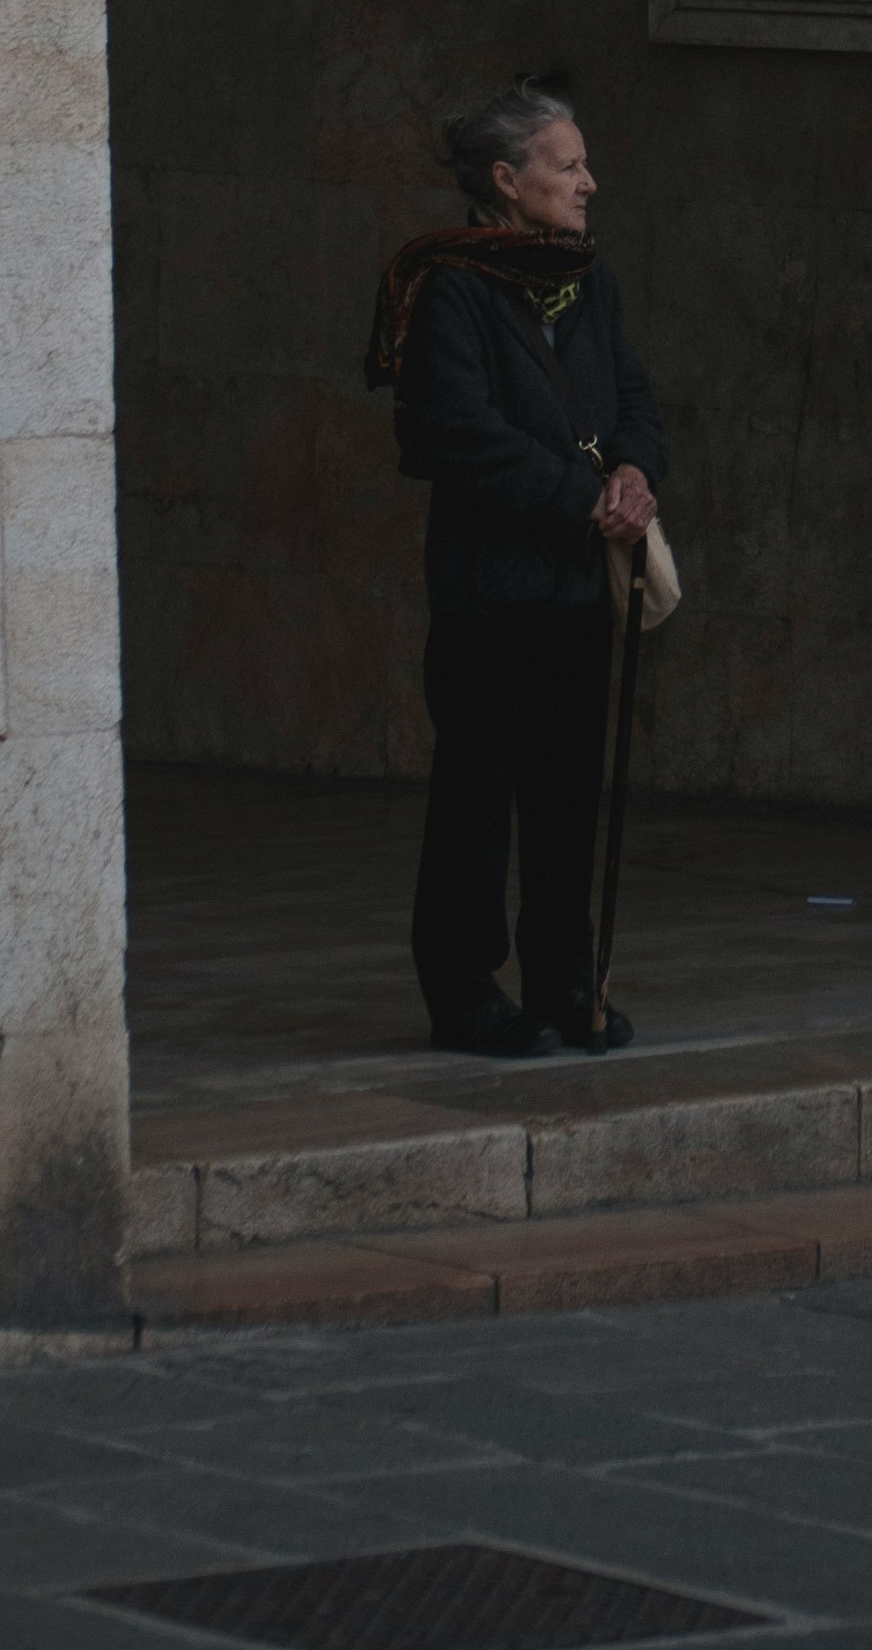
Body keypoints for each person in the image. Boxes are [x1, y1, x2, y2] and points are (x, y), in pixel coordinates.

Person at [363, 80, 666, 1059]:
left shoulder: (588, 280)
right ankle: (463, 990)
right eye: (567, 164)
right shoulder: (447, 284)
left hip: (579, 584)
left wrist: (632, 473)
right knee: (478, 793)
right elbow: (450, 432)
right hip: (492, 587)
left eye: (583, 163)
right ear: (506, 179)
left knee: (567, 793)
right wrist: (575, 494)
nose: (589, 181)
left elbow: (633, 397)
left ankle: (562, 980)